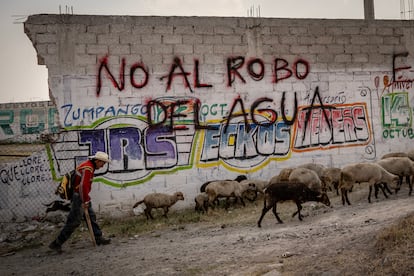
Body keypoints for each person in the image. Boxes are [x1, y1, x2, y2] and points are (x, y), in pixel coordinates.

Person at [49, 151, 112, 253]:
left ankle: (98, 237)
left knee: (91, 217)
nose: (103, 165)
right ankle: (57, 243)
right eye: (103, 163)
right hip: (80, 197)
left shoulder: (88, 166)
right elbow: (83, 186)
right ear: (97, 161)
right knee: (74, 221)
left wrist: (86, 199)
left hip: (82, 196)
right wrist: (85, 201)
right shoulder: (88, 168)